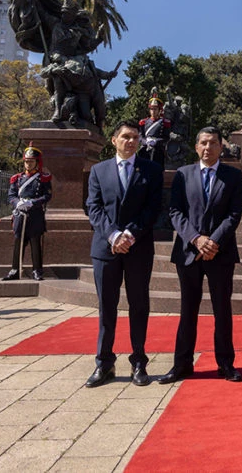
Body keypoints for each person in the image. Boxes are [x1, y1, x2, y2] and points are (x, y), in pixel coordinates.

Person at [162, 127, 242, 383]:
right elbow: (175, 211)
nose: (208, 148)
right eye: (203, 143)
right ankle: (182, 364)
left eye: (213, 143)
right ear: (197, 147)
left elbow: (234, 214)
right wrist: (196, 239)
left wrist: (213, 241)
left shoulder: (233, 175)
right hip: (188, 252)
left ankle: (226, 364)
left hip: (221, 252)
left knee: (222, 309)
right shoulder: (183, 175)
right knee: (188, 309)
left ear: (221, 147)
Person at [85, 121, 164, 388]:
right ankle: (104, 363)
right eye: (125, 137)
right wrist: (114, 236)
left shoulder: (151, 170)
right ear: (114, 140)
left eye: (135, 138)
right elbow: (93, 208)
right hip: (105, 250)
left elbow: (153, 208)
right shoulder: (98, 170)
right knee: (107, 307)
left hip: (138, 247)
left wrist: (130, 234)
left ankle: (139, 362)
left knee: (138, 305)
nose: (131, 141)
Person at [2, 146, 52, 281]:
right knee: (18, 242)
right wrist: (17, 203)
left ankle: (37, 271)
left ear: (37, 162)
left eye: (31, 161)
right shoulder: (17, 179)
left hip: (35, 215)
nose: (28, 164)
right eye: (26, 161)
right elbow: (11, 195)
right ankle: (15, 270)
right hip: (20, 214)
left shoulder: (43, 178)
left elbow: (47, 196)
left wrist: (32, 203)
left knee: (35, 243)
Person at [138, 91, 171, 166]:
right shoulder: (143, 122)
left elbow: (166, 137)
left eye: (155, 109)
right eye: (151, 109)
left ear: (160, 110)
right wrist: (145, 141)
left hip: (158, 150)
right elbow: (140, 135)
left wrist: (156, 141)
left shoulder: (165, 122)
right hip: (145, 149)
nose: (153, 111)